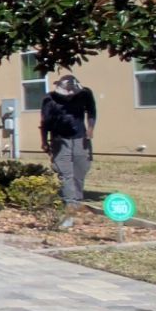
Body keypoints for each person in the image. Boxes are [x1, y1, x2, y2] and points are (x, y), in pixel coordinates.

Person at [39, 72, 97, 230]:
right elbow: (45, 122)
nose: (70, 96)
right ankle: (69, 212)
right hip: (59, 140)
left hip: (80, 139)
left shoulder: (85, 94)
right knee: (66, 175)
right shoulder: (49, 99)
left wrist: (90, 129)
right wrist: (44, 141)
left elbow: (92, 112)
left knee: (80, 172)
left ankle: (76, 204)